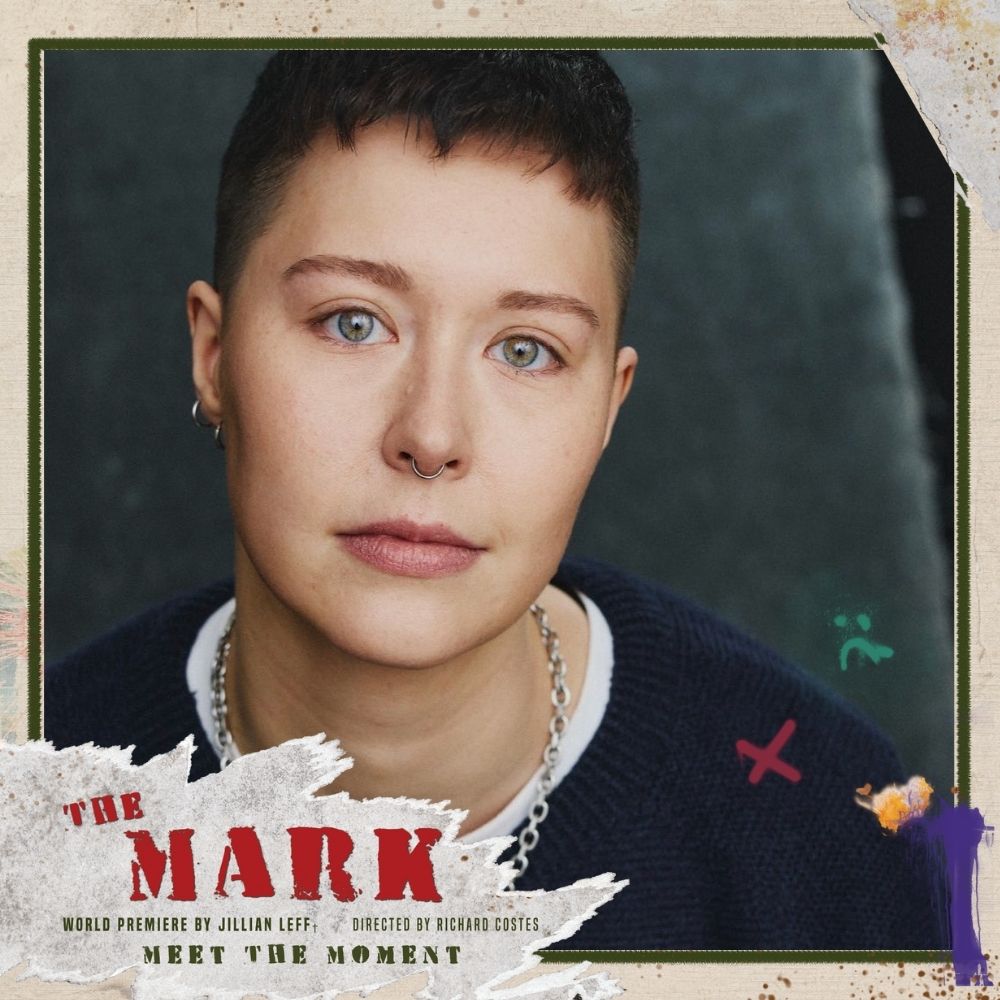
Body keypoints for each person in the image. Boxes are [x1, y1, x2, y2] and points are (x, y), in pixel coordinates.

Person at [45, 50, 945, 950]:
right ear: (213, 355)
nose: (431, 437)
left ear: (607, 408)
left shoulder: (829, 825)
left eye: (526, 350)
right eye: (352, 323)